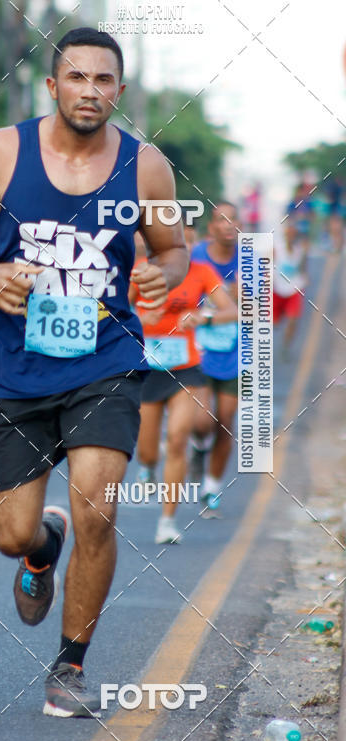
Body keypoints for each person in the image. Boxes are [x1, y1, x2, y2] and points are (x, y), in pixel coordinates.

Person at [0, 27, 188, 717]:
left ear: (119, 92)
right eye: (77, 78)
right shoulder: (4, 151)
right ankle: (41, 549)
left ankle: (69, 667)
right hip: (13, 364)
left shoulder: (147, 166)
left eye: (104, 80)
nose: (90, 91)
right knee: (11, 531)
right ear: (53, 86)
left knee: (99, 507)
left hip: (105, 360)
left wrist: (164, 274)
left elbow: (173, 247)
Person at [131, 219, 237, 543]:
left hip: (187, 366)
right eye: (179, 242)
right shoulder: (141, 270)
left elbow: (232, 311)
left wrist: (201, 316)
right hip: (148, 367)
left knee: (178, 439)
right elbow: (115, 309)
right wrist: (139, 318)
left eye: (190, 243)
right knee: (148, 450)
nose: (185, 249)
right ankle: (148, 466)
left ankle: (167, 521)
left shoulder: (203, 273)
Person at [189, 202, 240, 513]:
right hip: (201, 348)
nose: (228, 225)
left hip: (236, 350)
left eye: (234, 219)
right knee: (203, 421)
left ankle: (211, 487)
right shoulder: (196, 257)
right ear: (211, 227)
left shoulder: (250, 259)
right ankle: (198, 446)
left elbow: (258, 308)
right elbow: (185, 298)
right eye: (222, 219)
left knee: (225, 421)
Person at [273, 217, 308, 359]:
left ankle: (286, 348)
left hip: (294, 289)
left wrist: (305, 279)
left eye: (294, 233)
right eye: (289, 232)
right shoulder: (276, 249)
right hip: (276, 289)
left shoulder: (300, 250)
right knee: (273, 323)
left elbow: (303, 269)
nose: (291, 235)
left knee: (293, 320)